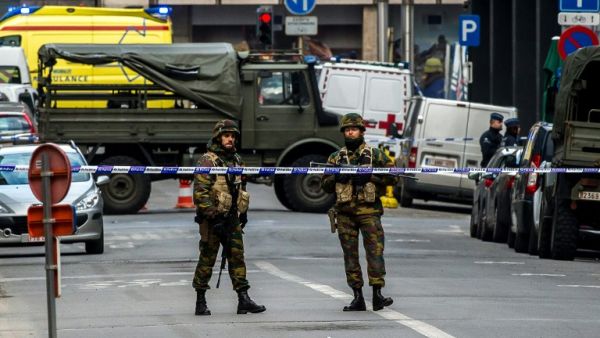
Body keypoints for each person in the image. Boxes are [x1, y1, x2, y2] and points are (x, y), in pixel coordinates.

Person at [321, 113, 397, 312]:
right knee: (350, 256)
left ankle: (377, 294)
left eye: (354, 129)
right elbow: (325, 186)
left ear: (362, 131)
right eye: (347, 129)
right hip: (345, 213)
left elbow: (394, 178)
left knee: (375, 252)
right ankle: (357, 297)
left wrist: (371, 177)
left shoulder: (376, 155)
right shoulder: (336, 157)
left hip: (369, 212)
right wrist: (339, 176)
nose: (350, 132)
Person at [192, 119, 266, 316]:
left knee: (237, 258)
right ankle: (200, 300)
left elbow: (241, 188)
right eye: (226, 135)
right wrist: (213, 216)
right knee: (207, 259)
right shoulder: (208, 161)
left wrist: (243, 213)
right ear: (218, 137)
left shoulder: (237, 160)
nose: (230, 139)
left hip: (232, 218)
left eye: (233, 136)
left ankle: (243, 299)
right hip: (212, 220)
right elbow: (200, 194)